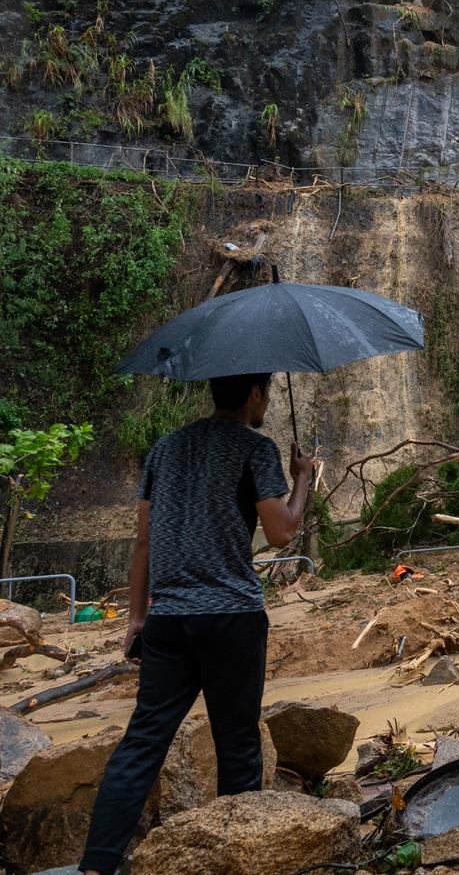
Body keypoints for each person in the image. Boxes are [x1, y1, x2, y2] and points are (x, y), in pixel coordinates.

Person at [79, 372, 313, 875]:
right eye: (265, 394)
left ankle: (96, 866)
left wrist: (137, 618)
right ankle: (238, 860)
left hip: (168, 620)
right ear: (254, 393)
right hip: (231, 616)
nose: (265, 403)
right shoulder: (254, 448)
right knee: (237, 746)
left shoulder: (164, 449)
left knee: (143, 741)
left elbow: (142, 541)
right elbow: (281, 533)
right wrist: (303, 479)